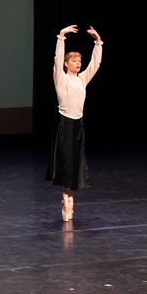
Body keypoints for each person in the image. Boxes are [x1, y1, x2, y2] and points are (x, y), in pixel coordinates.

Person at [46, 24, 103, 222]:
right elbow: (57, 59)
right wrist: (61, 37)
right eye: (74, 60)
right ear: (66, 64)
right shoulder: (61, 79)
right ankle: (66, 199)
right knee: (65, 164)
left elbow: (95, 64)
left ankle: (71, 197)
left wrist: (97, 42)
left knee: (75, 163)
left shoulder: (81, 80)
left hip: (78, 126)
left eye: (79, 60)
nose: (78, 63)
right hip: (64, 125)